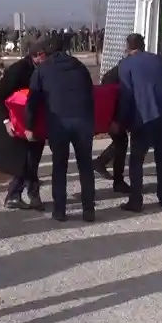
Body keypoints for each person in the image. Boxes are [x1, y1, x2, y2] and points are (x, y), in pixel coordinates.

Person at [25, 36, 96, 222]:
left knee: (59, 166)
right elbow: (90, 92)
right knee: (85, 165)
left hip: (59, 123)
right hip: (83, 120)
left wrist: (29, 126)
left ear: (46, 52)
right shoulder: (80, 66)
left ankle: (60, 210)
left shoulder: (42, 70)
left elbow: (32, 101)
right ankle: (89, 210)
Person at [111, 33, 162, 212]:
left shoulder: (125, 65)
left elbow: (126, 95)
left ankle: (136, 201)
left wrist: (119, 121)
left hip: (143, 117)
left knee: (136, 160)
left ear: (128, 47)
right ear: (143, 45)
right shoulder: (158, 60)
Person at [0, 40, 47, 211]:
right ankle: (17, 195)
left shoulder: (44, 69)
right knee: (24, 160)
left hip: (36, 119)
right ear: (35, 56)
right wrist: (7, 121)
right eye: (44, 56)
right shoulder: (18, 70)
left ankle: (31, 194)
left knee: (34, 159)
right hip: (16, 120)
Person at [92, 62, 131, 194]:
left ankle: (101, 162)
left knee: (121, 141)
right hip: (112, 113)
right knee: (121, 141)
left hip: (113, 112)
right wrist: (115, 119)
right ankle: (118, 181)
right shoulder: (119, 74)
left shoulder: (117, 71)